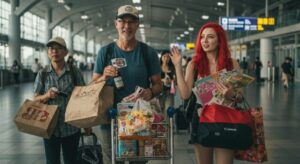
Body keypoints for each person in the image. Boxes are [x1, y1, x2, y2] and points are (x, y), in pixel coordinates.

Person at [92, 5, 162, 164]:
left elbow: (158, 84)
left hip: (139, 117)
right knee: (112, 160)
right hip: (110, 119)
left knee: (138, 160)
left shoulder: (147, 52)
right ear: (116, 24)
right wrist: (104, 76)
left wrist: (150, 92)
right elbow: (92, 86)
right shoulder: (106, 52)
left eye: (131, 22)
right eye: (122, 21)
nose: (127, 26)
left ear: (137, 25)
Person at [169, 22, 243, 164]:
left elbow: (240, 97)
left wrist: (231, 95)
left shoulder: (231, 64)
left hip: (226, 119)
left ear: (219, 40)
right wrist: (178, 67)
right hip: (202, 119)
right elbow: (184, 95)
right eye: (202, 37)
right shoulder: (194, 64)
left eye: (210, 37)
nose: (205, 41)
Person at [33, 36, 86, 164]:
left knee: (71, 160)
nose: (54, 52)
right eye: (51, 49)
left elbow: (84, 98)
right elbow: (35, 99)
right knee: (52, 161)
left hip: (71, 127)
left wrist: (87, 125)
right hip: (50, 128)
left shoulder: (74, 72)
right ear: (48, 52)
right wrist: (46, 96)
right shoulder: (43, 73)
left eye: (58, 49)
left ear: (66, 52)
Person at [159, 50, 175, 115]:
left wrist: (171, 81)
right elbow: (152, 79)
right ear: (161, 57)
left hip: (169, 92)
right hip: (159, 93)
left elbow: (176, 80)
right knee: (159, 110)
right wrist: (162, 80)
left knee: (168, 110)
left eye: (168, 57)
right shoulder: (157, 67)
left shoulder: (172, 68)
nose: (166, 58)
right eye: (164, 56)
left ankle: (168, 125)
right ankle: (160, 125)